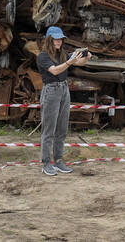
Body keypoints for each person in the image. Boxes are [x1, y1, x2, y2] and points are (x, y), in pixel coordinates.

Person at [36, 26, 90, 176]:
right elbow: (54, 70)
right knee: (49, 129)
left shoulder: (62, 54)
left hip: (64, 90)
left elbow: (77, 63)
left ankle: (58, 160)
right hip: (51, 90)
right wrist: (70, 62)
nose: (58, 41)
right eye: (56, 39)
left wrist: (85, 57)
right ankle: (46, 162)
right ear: (49, 39)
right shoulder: (43, 56)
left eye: (60, 39)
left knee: (62, 128)